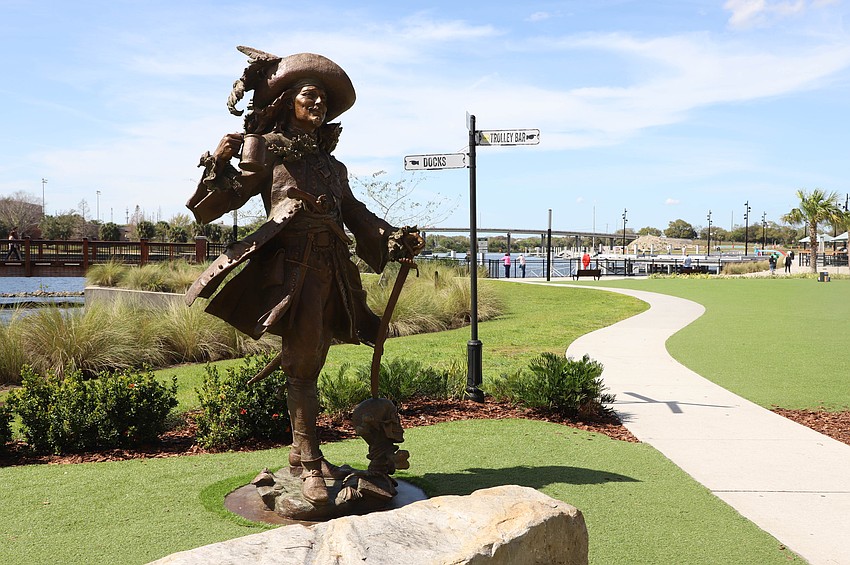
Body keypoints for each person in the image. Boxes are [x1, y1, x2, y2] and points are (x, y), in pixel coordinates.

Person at [184, 49, 423, 506]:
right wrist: (219, 161)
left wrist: (391, 239)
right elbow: (220, 204)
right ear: (287, 100)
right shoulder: (268, 151)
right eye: (309, 96)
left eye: (323, 101)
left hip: (334, 271)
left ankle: (298, 455)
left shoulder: (334, 168)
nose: (318, 106)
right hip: (292, 272)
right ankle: (310, 463)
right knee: (301, 364)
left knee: (313, 360)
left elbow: (353, 211)